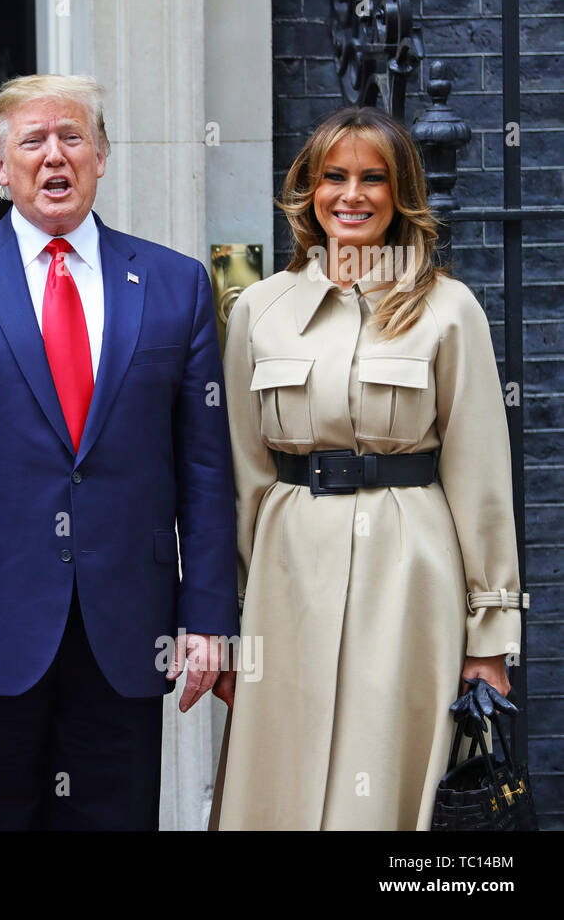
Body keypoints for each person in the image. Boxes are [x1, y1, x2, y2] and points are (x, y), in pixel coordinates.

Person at [0, 74, 238, 830]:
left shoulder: (176, 284)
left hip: (127, 632)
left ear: (101, 157)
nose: (54, 157)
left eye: (72, 138)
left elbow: (205, 469)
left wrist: (208, 617)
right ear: (0, 168)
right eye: (32, 142)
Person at [213, 105, 527, 830]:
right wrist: (228, 623)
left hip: (410, 573)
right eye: (334, 177)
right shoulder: (259, 309)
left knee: (387, 774)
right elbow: (241, 475)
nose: (351, 195)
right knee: (281, 777)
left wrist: (489, 638)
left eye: (372, 179)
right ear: (309, 190)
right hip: (285, 576)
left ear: (400, 193)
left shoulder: (449, 311)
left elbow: (482, 482)